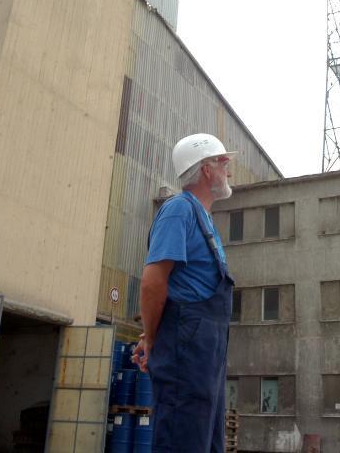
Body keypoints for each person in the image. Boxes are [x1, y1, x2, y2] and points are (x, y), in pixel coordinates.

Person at [132, 133, 235, 452]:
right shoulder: (179, 210)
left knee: (205, 442)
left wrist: (155, 333)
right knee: (183, 440)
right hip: (188, 354)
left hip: (205, 355)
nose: (228, 168)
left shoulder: (204, 219)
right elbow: (153, 281)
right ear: (206, 169)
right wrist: (152, 337)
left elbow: (181, 287)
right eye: (223, 161)